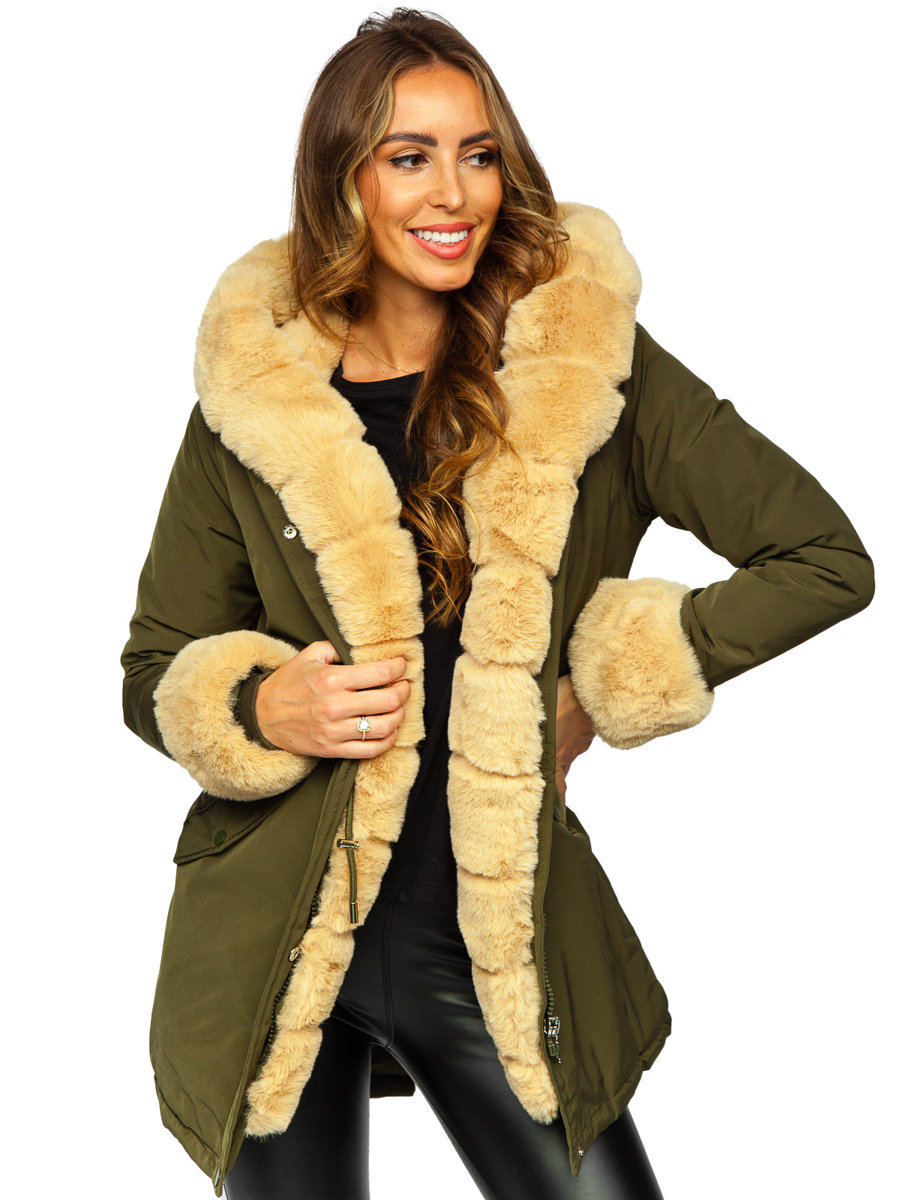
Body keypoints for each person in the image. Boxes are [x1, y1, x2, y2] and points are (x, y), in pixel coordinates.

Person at [121, 10, 874, 1199]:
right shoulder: (256, 403)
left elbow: (825, 557)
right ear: (343, 179)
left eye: (478, 153)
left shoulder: (584, 367)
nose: (453, 192)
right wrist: (264, 704)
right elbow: (154, 664)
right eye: (408, 156)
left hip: (489, 946)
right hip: (276, 938)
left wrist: (602, 683)